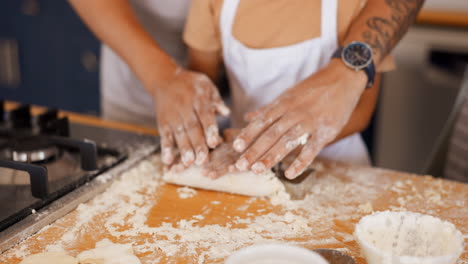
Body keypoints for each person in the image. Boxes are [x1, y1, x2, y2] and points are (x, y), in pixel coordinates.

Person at [69, 0, 425, 179]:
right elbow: (202, 77)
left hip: (335, 166)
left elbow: (361, 108)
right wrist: (201, 121)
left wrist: (282, 139)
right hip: (244, 163)